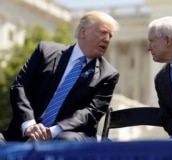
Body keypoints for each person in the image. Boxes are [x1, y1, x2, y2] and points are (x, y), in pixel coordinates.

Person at [0, 10, 119, 143]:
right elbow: (20, 86)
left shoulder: (108, 75)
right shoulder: (45, 51)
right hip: (27, 132)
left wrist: (51, 132)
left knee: (63, 141)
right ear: (83, 32)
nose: (107, 39)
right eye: (103, 32)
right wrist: (29, 125)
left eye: (110, 36)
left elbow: (91, 112)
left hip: (69, 136)